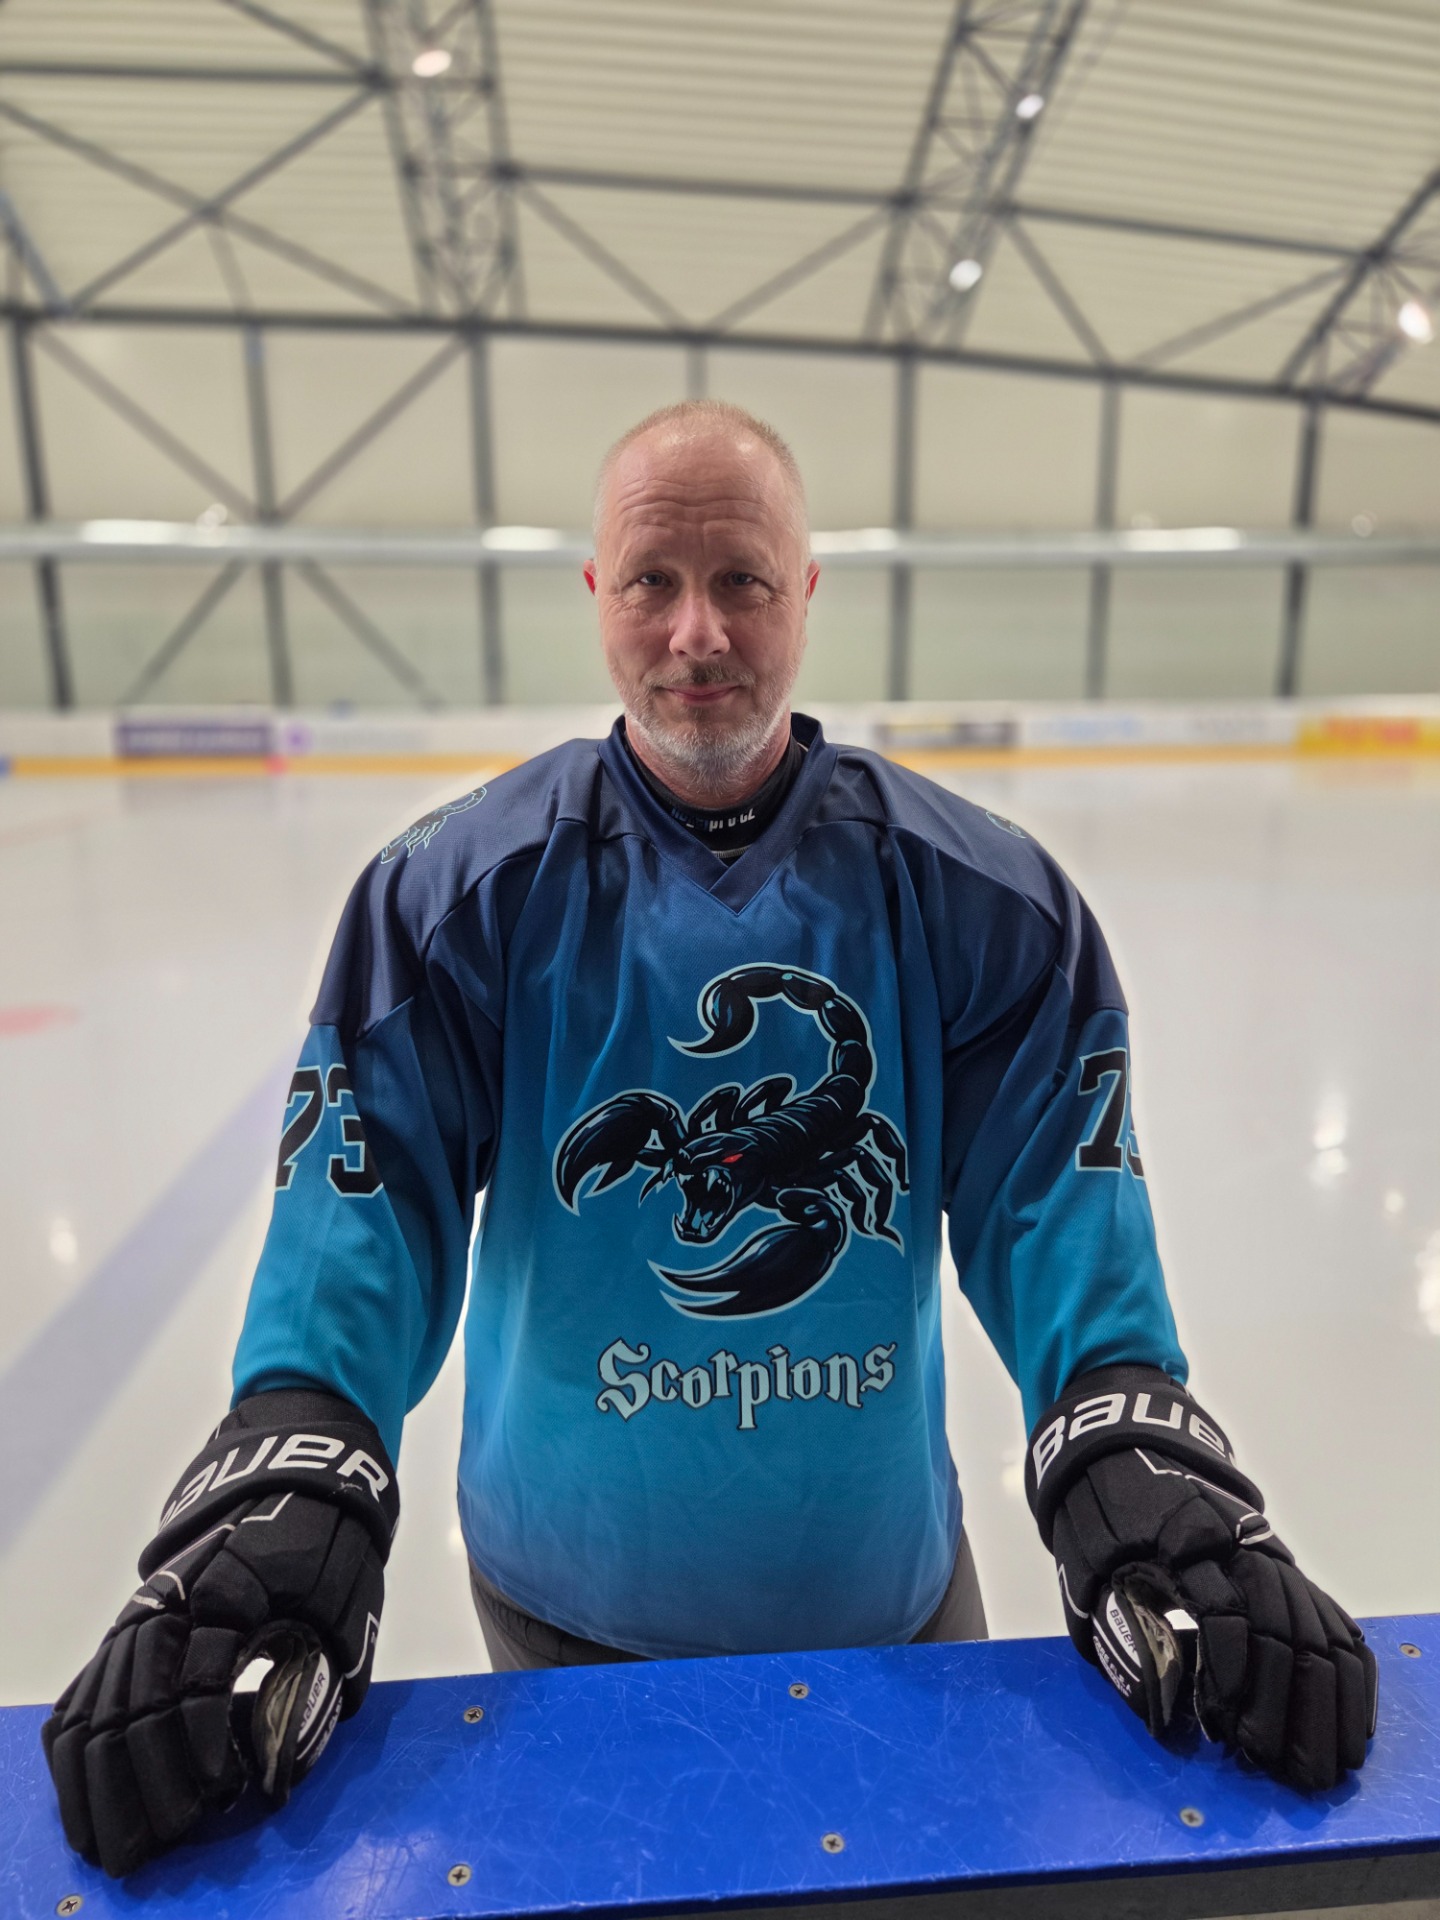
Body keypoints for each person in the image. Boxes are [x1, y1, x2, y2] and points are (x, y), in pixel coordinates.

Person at [44, 401, 1376, 1878]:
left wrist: (1133, 1438)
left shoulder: (988, 898)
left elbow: (1059, 1198)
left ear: (804, 591)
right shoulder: (452, 891)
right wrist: (294, 1462)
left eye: (741, 579)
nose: (698, 632)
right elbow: (367, 1197)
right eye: (652, 582)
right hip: (559, 1600)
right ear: (596, 595)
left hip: (887, 1597)